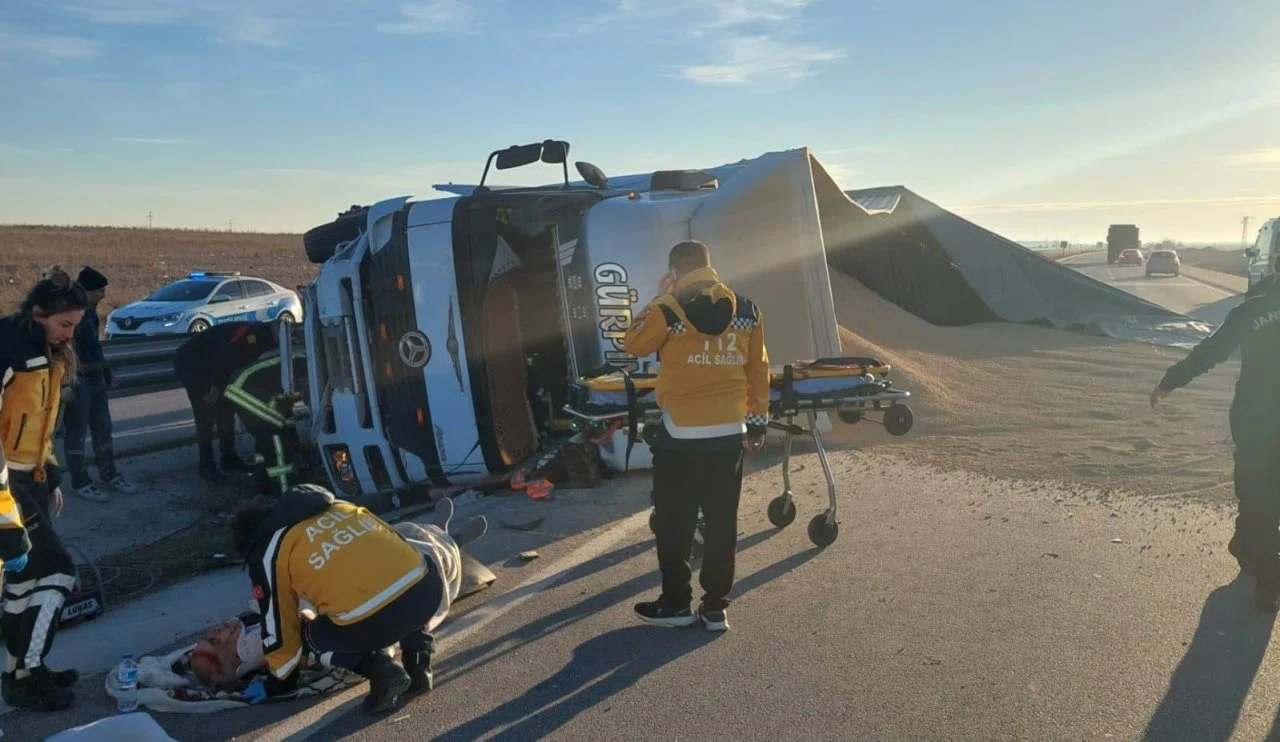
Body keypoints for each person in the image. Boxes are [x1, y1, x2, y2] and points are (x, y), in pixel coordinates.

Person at [622, 240, 769, 632]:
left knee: (675, 522)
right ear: (710, 266)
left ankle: (676, 604)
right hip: (728, 432)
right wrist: (757, 421)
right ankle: (715, 607)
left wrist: (658, 297)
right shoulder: (747, 309)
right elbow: (759, 370)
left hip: (681, 433)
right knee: (722, 521)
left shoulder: (668, 309)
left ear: (675, 270)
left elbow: (632, 343)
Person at [229, 484, 448, 712]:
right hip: (428, 593)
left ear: (253, 542)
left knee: (307, 632)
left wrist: (279, 682)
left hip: (377, 622)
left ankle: (381, 671)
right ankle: (419, 666)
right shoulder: (340, 507)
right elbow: (397, 548)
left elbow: (279, 622)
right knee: (401, 581)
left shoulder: (268, 553)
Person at [1151, 252, 1280, 612]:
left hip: (1256, 418)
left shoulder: (1251, 311)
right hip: (1258, 418)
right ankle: (1250, 550)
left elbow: (1211, 351)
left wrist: (1169, 382)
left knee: (1258, 494)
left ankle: (1268, 579)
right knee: (1264, 495)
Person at [0, 267, 88, 711]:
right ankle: (29, 673)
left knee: (22, 582)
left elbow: (40, 426)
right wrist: (4, 518)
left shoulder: (44, 352)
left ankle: (17, 672)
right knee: (55, 570)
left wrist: (49, 477)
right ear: (38, 313)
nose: (70, 334)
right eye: (64, 324)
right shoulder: (9, 351)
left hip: (24, 481)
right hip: (5, 485)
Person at [62, 266, 138, 503]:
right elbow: (64, 353)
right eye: (99, 291)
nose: (103, 296)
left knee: (103, 428)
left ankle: (109, 473)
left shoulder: (92, 315)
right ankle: (80, 480)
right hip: (77, 382)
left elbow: (94, 348)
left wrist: (104, 372)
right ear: (86, 291)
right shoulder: (70, 316)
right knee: (76, 433)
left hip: (95, 380)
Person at [173, 321, 273, 482]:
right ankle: (206, 465)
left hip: (213, 364)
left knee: (226, 410)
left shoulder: (265, 338)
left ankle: (229, 458)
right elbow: (225, 355)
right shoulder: (253, 334)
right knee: (206, 413)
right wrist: (214, 386)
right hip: (193, 363)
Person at [222, 350, 308, 496]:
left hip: (245, 387)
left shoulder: (305, 361)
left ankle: (262, 481)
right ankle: (285, 491)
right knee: (275, 436)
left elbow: (285, 407)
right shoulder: (310, 370)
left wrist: (292, 436)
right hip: (245, 389)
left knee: (266, 434)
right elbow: (312, 403)